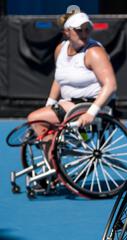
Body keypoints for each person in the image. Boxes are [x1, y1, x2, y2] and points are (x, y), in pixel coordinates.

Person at [27, 7, 117, 159]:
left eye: (87, 29)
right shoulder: (60, 49)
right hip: (69, 104)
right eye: (79, 30)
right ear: (67, 32)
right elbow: (59, 79)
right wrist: (49, 103)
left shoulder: (94, 52)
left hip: (89, 104)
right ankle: (54, 161)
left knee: (35, 119)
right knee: (44, 119)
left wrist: (91, 112)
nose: (84, 34)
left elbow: (110, 85)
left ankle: (53, 165)